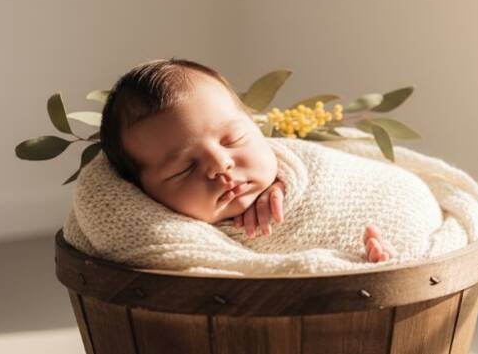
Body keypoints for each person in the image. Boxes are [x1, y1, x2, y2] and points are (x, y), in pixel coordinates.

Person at [98, 58, 396, 263]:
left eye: (233, 140)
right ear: (142, 192)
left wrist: (286, 181)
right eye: (184, 169)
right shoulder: (157, 237)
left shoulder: (307, 170)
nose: (220, 165)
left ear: (255, 126)